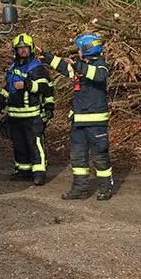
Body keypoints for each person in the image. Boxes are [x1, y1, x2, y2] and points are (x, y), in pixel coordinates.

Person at [39, 33, 113, 201]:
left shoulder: (100, 65)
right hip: (78, 122)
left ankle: (105, 188)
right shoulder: (81, 65)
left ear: (88, 49)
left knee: (100, 157)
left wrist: (78, 65)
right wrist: (47, 56)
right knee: (77, 157)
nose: (78, 51)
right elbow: (64, 67)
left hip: (96, 123)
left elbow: (98, 76)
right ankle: (80, 189)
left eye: (80, 49)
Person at [0, 33, 54, 185]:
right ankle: (23, 171)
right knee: (19, 145)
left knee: (35, 145)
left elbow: (44, 87)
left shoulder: (36, 68)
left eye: (25, 48)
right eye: (19, 48)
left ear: (31, 49)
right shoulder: (13, 66)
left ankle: (39, 173)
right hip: (14, 115)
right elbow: (9, 85)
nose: (22, 50)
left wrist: (27, 85)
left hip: (32, 115)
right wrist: (1, 98)